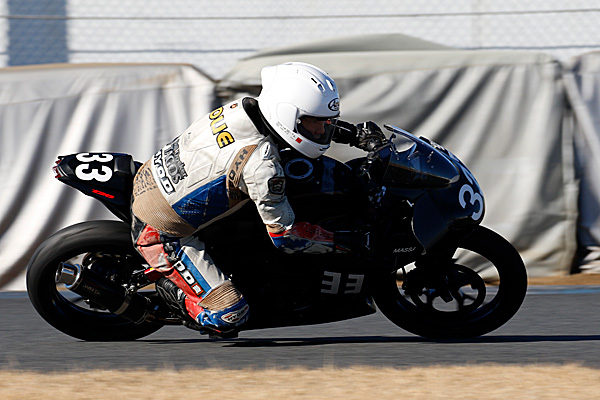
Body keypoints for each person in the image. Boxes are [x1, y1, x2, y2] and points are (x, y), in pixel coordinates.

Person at [130, 62, 385, 337]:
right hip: (160, 231)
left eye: (328, 122)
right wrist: (344, 241)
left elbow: (296, 129)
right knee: (229, 316)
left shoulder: (244, 108)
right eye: (316, 122)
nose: (323, 130)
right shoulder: (262, 166)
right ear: (286, 115)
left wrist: (354, 135)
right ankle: (178, 297)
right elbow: (286, 237)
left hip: (153, 177)